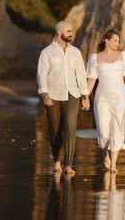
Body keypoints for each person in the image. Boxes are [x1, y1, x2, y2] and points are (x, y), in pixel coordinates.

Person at [86, 29, 125, 172]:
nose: (118, 44)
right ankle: (105, 154)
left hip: (120, 99)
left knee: (117, 131)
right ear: (106, 40)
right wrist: (85, 97)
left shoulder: (122, 56)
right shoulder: (95, 58)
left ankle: (113, 164)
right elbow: (91, 81)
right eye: (115, 40)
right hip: (102, 99)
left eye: (119, 41)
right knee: (104, 133)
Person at [37, 21, 91, 177]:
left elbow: (81, 75)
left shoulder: (75, 52)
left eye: (72, 31)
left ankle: (68, 164)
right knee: (54, 131)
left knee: (70, 129)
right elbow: (41, 75)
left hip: (72, 96)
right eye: (68, 31)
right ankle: (56, 161)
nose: (71, 34)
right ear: (59, 31)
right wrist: (45, 94)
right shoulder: (46, 53)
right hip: (53, 97)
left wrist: (85, 97)